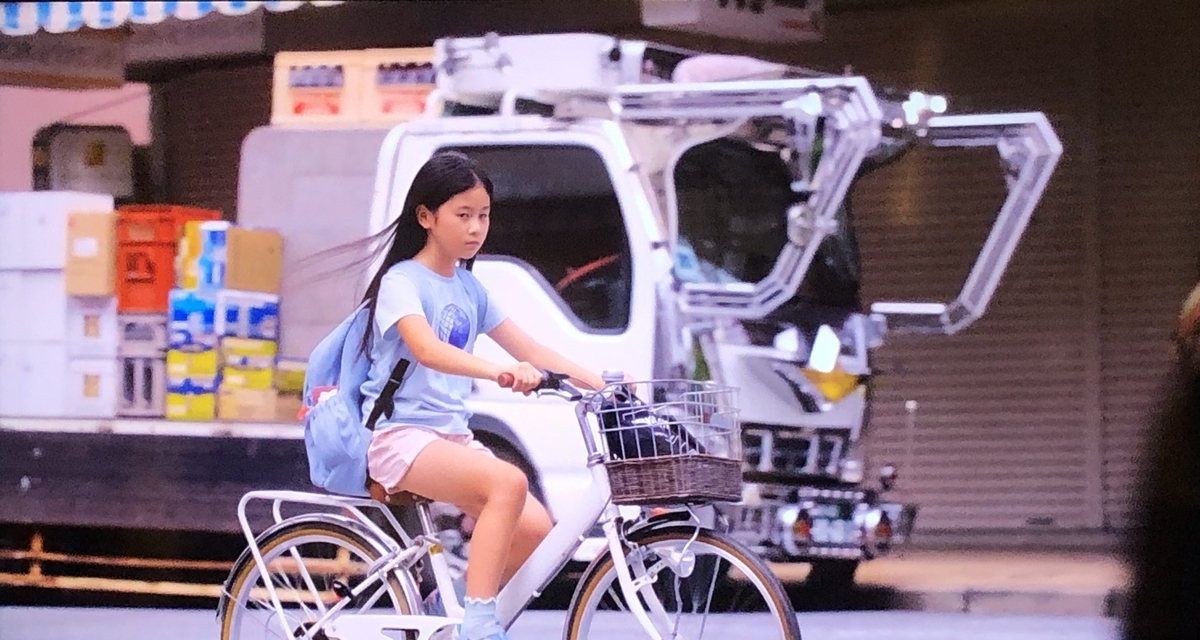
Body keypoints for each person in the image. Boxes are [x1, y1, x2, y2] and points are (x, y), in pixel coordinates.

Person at [357, 151, 607, 640]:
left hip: (450, 438)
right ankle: (476, 622)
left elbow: (532, 349)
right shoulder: (401, 282)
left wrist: (604, 384)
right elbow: (427, 350)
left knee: (536, 530)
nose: (476, 228)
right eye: (463, 215)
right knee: (508, 483)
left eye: (484, 216)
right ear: (426, 217)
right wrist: (498, 371)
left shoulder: (470, 288)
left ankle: (446, 608)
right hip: (399, 437)